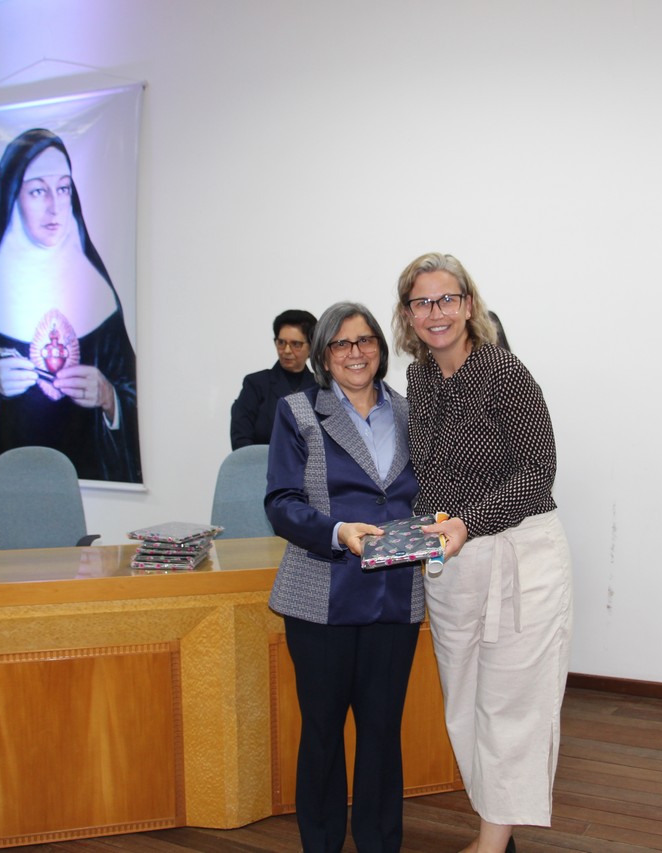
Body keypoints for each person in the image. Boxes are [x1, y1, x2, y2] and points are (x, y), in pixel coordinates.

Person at [391, 253, 572, 853]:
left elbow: (538, 471)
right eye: (422, 302)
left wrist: (470, 522)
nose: (435, 312)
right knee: (464, 704)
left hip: (519, 556)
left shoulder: (504, 371)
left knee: (509, 705)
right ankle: (493, 827)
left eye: (447, 299)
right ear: (408, 314)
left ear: (469, 305)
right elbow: (429, 476)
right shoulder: (420, 380)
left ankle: (492, 843)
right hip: (452, 559)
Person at [265, 302, 423, 853]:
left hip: (395, 595)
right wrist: (337, 531)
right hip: (320, 597)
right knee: (323, 734)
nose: (355, 353)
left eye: (365, 341)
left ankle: (380, 843)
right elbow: (281, 503)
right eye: (341, 343)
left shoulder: (410, 411)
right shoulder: (298, 411)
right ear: (323, 354)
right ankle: (322, 843)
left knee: (382, 732)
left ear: (380, 347)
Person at [0, 128, 142, 483]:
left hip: (92, 483)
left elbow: (131, 395)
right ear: (13, 195)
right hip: (4, 477)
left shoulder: (98, 292)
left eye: (64, 189)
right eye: (38, 191)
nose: (55, 206)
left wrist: (108, 397)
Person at [230, 309, 318, 449]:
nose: (287, 350)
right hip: (261, 462)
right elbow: (241, 442)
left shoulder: (320, 388)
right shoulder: (255, 384)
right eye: (281, 342)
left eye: (296, 344)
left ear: (311, 347)